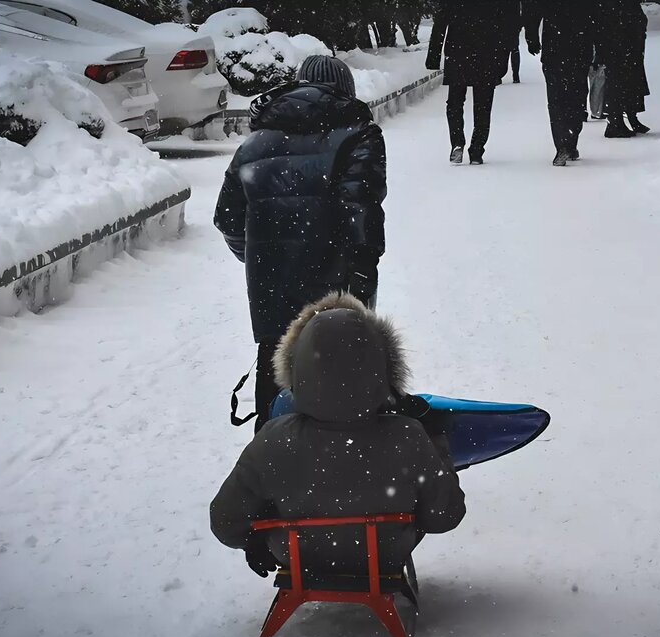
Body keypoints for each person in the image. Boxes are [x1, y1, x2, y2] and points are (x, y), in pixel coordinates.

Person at [210, 293, 467, 579]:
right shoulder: (407, 436)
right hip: (384, 555)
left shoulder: (274, 439)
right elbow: (446, 516)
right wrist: (438, 446)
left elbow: (225, 522)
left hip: (298, 558)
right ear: (383, 366)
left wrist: (257, 535)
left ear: (296, 369)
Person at [214, 56, 387, 431]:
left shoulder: (255, 142)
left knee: (276, 379)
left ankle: (273, 469)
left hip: (271, 291)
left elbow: (227, 219)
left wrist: (262, 257)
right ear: (346, 91)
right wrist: (360, 279)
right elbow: (362, 216)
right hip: (337, 287)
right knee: (343, 381)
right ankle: (339, 473)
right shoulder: (358, 135)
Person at [427, 0, 521, 165]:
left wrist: (434, 55)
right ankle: (477, 148)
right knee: (483, 104)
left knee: (455, 101)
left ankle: (457, 142)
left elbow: (442, 19)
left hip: (458, 49)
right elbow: (510, 20)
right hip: (489, 49)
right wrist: (507, 51)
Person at [524, 0, 604, 166]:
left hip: (556, 46)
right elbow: (597, 13)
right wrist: (600, 44)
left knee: (557, 100)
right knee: (576, 96)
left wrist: (531, 36)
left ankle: (563, 142)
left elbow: (532, 9)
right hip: (579, 46)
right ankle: (570, 139)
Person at [601, 0, 651, 138]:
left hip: (625, 40)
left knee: (630, 81)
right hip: (620, 41)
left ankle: (627, 117)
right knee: (618, 82)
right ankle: (615, 121)